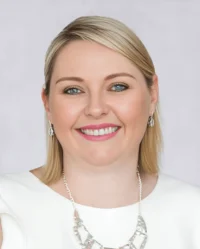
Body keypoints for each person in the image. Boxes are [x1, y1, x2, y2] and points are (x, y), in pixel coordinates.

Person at [0, 15, 199, 249]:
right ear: (48, 104)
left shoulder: (193, 213)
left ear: (152, 95)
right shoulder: (6, 206)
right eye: (73, 90)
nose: (96, 109)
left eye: (117, 87)